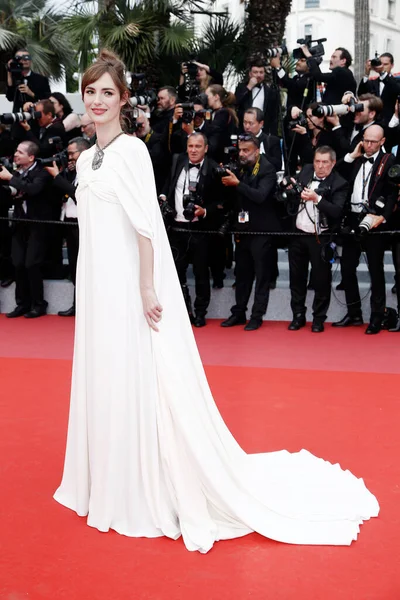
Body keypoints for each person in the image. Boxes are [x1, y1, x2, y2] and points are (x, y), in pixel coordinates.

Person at [54, 49, 379, 554]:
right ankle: (105, 475)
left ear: (123, 100)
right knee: (104, 372)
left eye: (107, 93)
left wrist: (145, 286)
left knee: (132, 372)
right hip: (97, 283)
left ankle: (137, 480)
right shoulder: (90, 152)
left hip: (126, 284)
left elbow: (145, 225)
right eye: (90, 91)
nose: (97, 101)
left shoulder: (132, 151)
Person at [332, 125, 397, 334]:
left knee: (375, 270)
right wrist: (352, 155)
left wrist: (383, 217)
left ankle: (377, 316)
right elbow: (336, 173)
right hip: (351, 218)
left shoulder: (389, 162)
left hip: (373, 220)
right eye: (366, 140)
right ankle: (354, 313)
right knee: (347, 268)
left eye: (373, 142)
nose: (368, 145)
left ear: (382, 141)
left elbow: (391, 195)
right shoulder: (356, 157)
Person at [159, 132, 224, 327]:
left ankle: (200, 312)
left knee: (201, 273)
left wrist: (205, 211)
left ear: (206, 148)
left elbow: (221, 202)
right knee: (175, 273)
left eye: (197, 146)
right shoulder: (177, 160)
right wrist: (163, 197)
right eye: (190, 146)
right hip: (176, 228)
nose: (193, 150)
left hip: (200, 230)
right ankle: (180, 311)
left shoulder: (213, 168)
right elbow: (168, 184)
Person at [220, 134, 280, 331]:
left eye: (246, 151)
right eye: (240, 150)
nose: (242, 154)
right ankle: (238, 313)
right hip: (243, 229)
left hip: (262, 230)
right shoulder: (240, 166)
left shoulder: (268, 169)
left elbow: (260, 196)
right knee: (242, 274)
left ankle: (257, 315)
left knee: (262, 276)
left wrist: (238, 184)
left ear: (257, 151)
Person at [287, 146, 348, 333]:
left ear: (332, 163)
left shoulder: (340, 183)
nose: (319, 166)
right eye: (317, 161)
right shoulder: (306, 170)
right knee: (296, 278)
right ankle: (298, 316)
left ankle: (318, 318)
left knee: (321, 280)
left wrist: (316, 199)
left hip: (321, 237)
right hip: (298, 234)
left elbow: (337, 211)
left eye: (324, 162)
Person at [0, 140, 53, 318]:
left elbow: (33, 189)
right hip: (19, 224)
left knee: (32, 264)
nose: (15, 154)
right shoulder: (15, 172)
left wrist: (10, 179)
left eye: (20, 152)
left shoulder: (42, 173)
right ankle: (22, 304)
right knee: (18, 263)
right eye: (16, 151)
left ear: (31, 157)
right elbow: (11, 193)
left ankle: (39, 304)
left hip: (37, 225)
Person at [45, 136, 91, 316]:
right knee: (74, 267)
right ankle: (77, 305)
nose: (69, 157)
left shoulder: (91, 172)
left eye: (72, 153)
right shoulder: (75, 172)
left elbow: (77, 195)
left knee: (84, 268)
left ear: (84, 152)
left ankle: (85, 307)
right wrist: (63, 173)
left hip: (83, 226)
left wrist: (57, 176)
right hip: (70, 224)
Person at [235, 59, 279, 134]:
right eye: (255, 72)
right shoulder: (241, 87)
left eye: (261, 72)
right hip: (244, 130)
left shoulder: (269, 91)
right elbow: (236, 103)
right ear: (250, 74)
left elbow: (273, 115)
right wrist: (249, 87)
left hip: (263, 131)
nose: (258, 75)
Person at [358, 53, 400, 126]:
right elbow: (361, 94)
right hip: (372, 122)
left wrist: (382, 72)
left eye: (385, 64)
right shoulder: (372, 82)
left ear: (392, 65)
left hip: (391, 124)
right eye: (380, 63)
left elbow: (395, 89)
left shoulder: (396, 81)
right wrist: (367, 73)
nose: (382, 66)